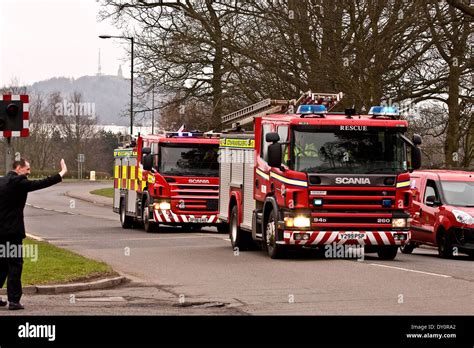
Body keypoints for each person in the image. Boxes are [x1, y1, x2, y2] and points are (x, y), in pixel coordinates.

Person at [0, 158, 67, 310]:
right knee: (15, 266)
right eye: (27, 169)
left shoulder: (2, 181)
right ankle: (14, 301)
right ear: (18, 168)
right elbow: (41, 183)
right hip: (12, 233)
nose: (29, 173)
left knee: (1, 265)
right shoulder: (19, 183)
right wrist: (61, 173)